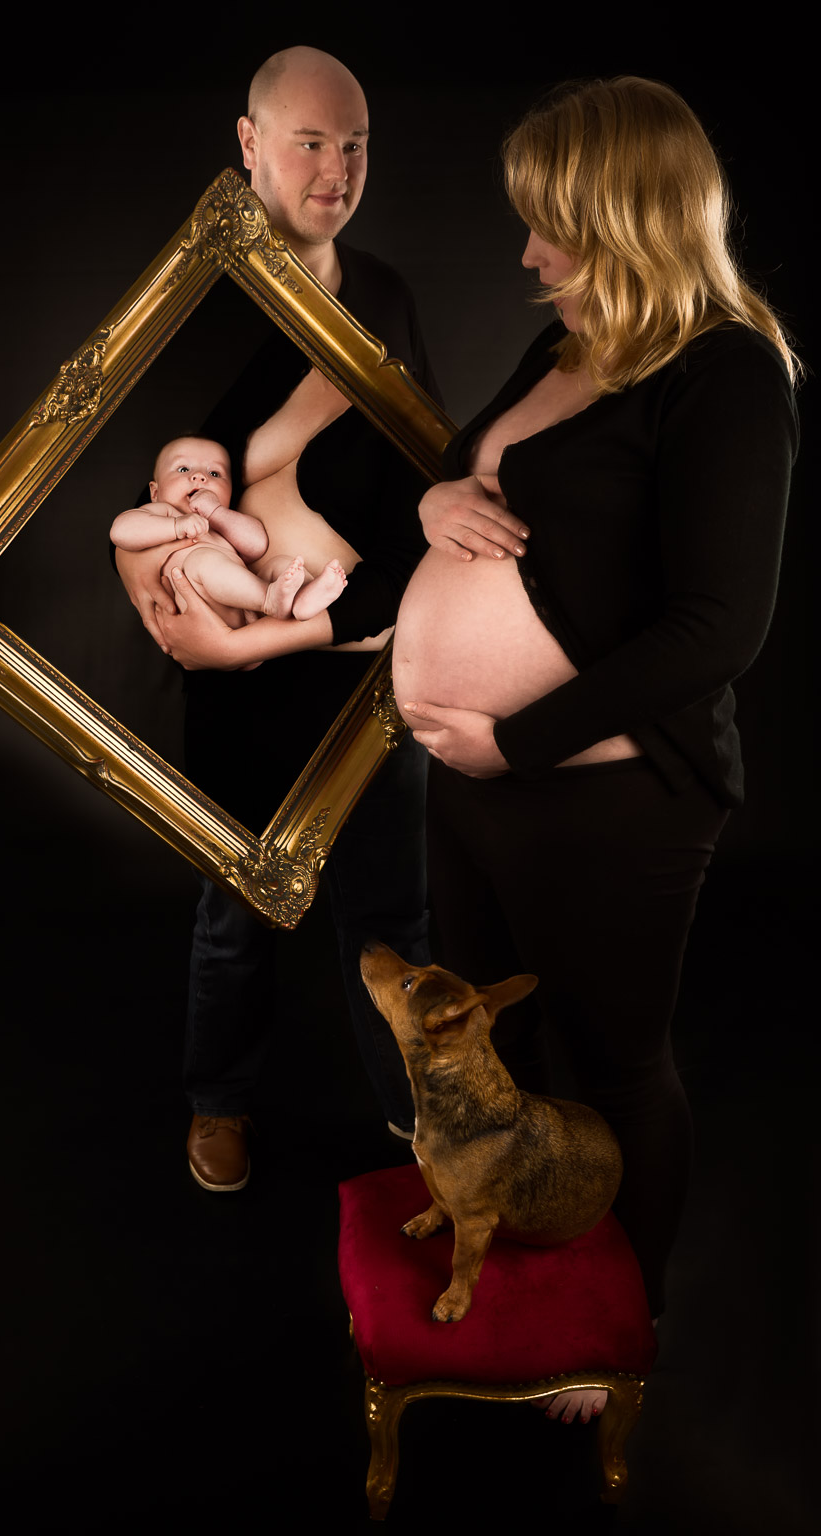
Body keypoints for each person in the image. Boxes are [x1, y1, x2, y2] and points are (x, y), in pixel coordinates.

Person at [0, 47, 445, 1188]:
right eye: (310, 142)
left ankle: (418, 1122)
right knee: (234, 905)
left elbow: (419, 474)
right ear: (248, 144)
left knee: (391, 914)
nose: (337, 170)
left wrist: (373, 603)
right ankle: (220, 1100)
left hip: (363, 657)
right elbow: (70, 491)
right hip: (232, 674)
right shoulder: (190, 305)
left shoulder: (386, 297)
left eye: (355, 146)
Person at [394, 76, 798, 1421]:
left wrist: (517, 739)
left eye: (549, 228)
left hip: (612, 794)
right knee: (489, 1049)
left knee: (613, 1063)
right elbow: (478, 470)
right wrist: (437, 495)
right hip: (474, 784)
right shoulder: (562, 347)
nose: (526, 256)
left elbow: (717, 628)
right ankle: (517, 1262)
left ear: (626, 217)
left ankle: (629, 1313)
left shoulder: (724, 373)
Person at [110, 435, 348, 626]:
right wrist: (176, 526)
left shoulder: (219, 522)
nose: (199, 476)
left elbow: (257, 545)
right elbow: (120, 532)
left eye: (214, 473)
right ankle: (267, 598)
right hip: (198, 607)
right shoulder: (161, 512)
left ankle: (303, 600)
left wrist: (217, 513)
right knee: (203, 560)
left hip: (246, 607)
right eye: (183, 469)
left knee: (282, 565)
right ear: (154, 492)